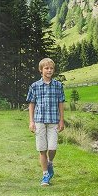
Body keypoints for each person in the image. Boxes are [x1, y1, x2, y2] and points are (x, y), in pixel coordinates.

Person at [27, 58, 65, 186]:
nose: (49, 70)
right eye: (46, 68)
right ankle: (45, 175)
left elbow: (61, 103)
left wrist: (61, 120)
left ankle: (50, 163)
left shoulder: (58, 86)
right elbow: (31, 104)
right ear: (41, 70)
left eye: (51, 68)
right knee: (42, 149)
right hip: (39, 121)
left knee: (52, 147)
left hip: (54, 120)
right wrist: (31, 121)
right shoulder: (35, 86)